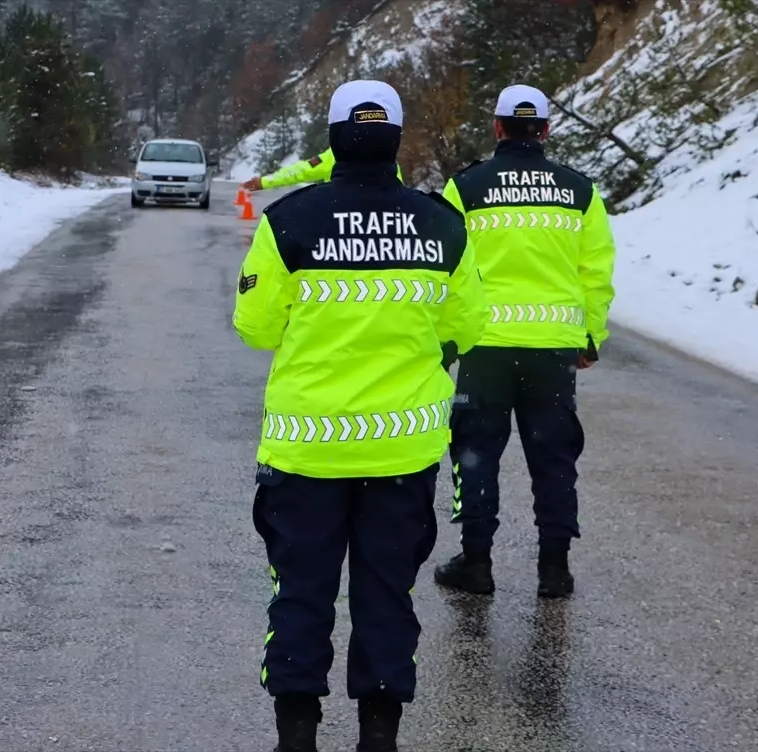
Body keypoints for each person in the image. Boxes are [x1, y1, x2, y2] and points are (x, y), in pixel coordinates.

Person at [233, 80, 487, 752]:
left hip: (305, 454)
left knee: (301, 595)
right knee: (386, 597)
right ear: (396, 139)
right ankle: (379, 735)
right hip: (401, 457)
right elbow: (469, 322)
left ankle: (297, 736)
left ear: (334, 137)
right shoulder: (441, 224)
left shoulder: (289, 221)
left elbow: (255, 327)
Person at [432, 84, 616, 599]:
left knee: (475, 454)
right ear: (546, 130)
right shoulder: (579, 191)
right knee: (554, 459)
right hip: (553, 351)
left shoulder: (466, 188)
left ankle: (477, 563)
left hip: (485, 348)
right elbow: (595, 273)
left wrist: (448, 342)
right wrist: (590, 338)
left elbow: (447, 269)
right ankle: (554, 571)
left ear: (497, 127)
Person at [240, 148, 403, 192]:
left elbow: (302, 171)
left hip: (339, 234)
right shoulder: (388, 160)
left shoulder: (337, 154)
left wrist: (266, 182)